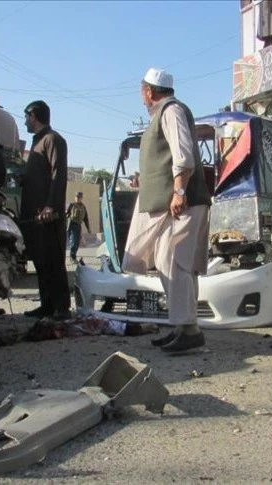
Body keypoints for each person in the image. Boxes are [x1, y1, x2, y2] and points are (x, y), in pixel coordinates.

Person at [121, 67, 211, 352]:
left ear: (149, 91)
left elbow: (183, 155)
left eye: (141, 92)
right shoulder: (162, 113)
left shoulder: (171, 111)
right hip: (168, 203)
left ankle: (191, 331)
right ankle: (181, 325)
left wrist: (179, 190)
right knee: (165, 261)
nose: (141, 97)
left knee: (178, 263)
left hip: (180, 203)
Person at [20, 100, 71, 320]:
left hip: (48, 214)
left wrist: (51, 205)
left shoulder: (53, 140)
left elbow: (58, 175)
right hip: (34, 215)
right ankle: (47, 305)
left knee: (53, 260)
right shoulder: (37, 142)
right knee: (40, 260)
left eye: (26, 117)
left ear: (34, 116)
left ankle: (61, 307)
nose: (25, 121)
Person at [66, 191, 91, 264]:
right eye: (76, 197)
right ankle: (72, 257)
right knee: (73, 242)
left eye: (79, 197)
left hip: (78, 226)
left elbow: (86, 218)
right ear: (75, 197)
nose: (78, 198)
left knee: (76, 243)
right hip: (72, 225)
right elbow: (65, 215)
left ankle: (73, 256)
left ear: (81, 198)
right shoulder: (71, 205)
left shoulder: (83, 206)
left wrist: (88, 228)